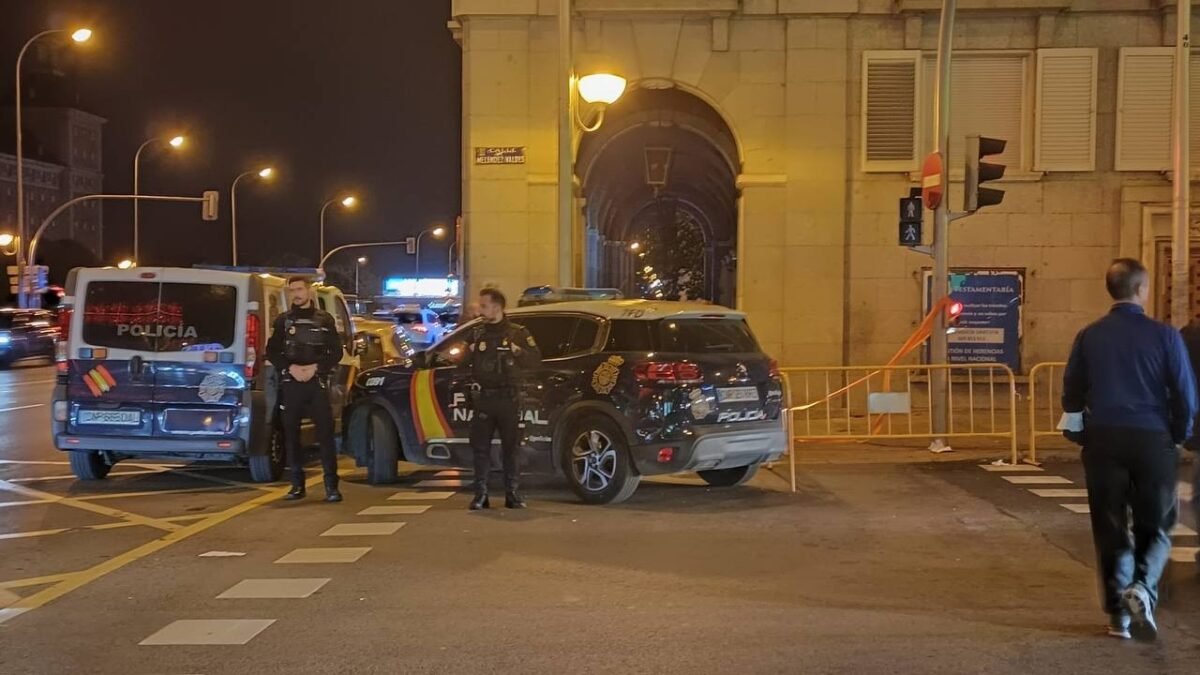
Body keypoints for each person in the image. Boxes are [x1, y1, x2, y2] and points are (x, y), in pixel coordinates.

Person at [1060, 258, 1198, 641]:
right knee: (1156, 525)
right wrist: (1177, 434)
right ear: (1142, 289)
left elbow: (1071, 389)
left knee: (1110, 526)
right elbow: (1185, 394)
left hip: (1103, 439)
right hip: (1152, 438)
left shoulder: (1089, 335)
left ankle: (1117, 616)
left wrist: (1080, 432)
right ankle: (1143, 587)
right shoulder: (1165, 335)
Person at [459, 287, 541, 510]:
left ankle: (512, 494)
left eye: (484, 305)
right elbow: (460, 363)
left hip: (509, 399)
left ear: (497, 307)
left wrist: (518, 352)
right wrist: (469, 352)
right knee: (480, 449)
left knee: (511, 449)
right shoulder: (476, 334)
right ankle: (480, 495)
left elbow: (535, 362)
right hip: (483, 399)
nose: (480, 310)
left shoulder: (518, 333)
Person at [265, 276, 345, 502]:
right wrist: (289, 367)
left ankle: (332, 487)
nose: (296, 294)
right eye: (292, 291)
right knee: (291, 436)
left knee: (325, 436)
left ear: (309, 292)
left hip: (316, 383)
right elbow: (272, 351)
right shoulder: (284, 321)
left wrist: (316, 368)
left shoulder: (324, 320)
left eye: (299, 289)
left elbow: (336, 352)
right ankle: (297, 486)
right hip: (292, 383)